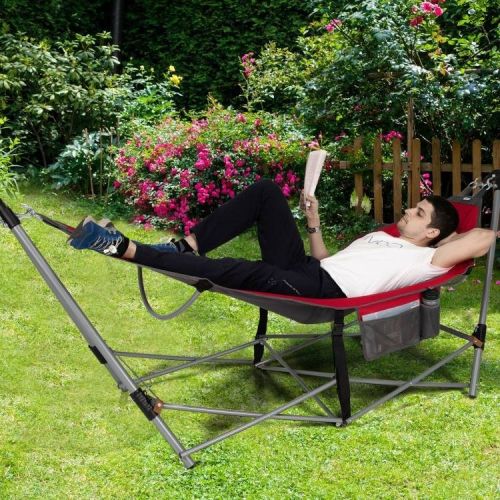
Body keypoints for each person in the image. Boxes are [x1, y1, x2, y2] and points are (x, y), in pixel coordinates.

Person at [68, 179, 495, 298]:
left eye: (418, 213)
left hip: (323, 290)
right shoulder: (379, 237)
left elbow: (484, 236)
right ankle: (188, 245)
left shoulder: (427, 260)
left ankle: (121, 247)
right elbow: (325, 258)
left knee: (237, 270)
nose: (407, 211)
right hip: (311, 269)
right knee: (266, 192)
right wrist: (313, 221)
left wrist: (445, 242)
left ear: (433, 232)